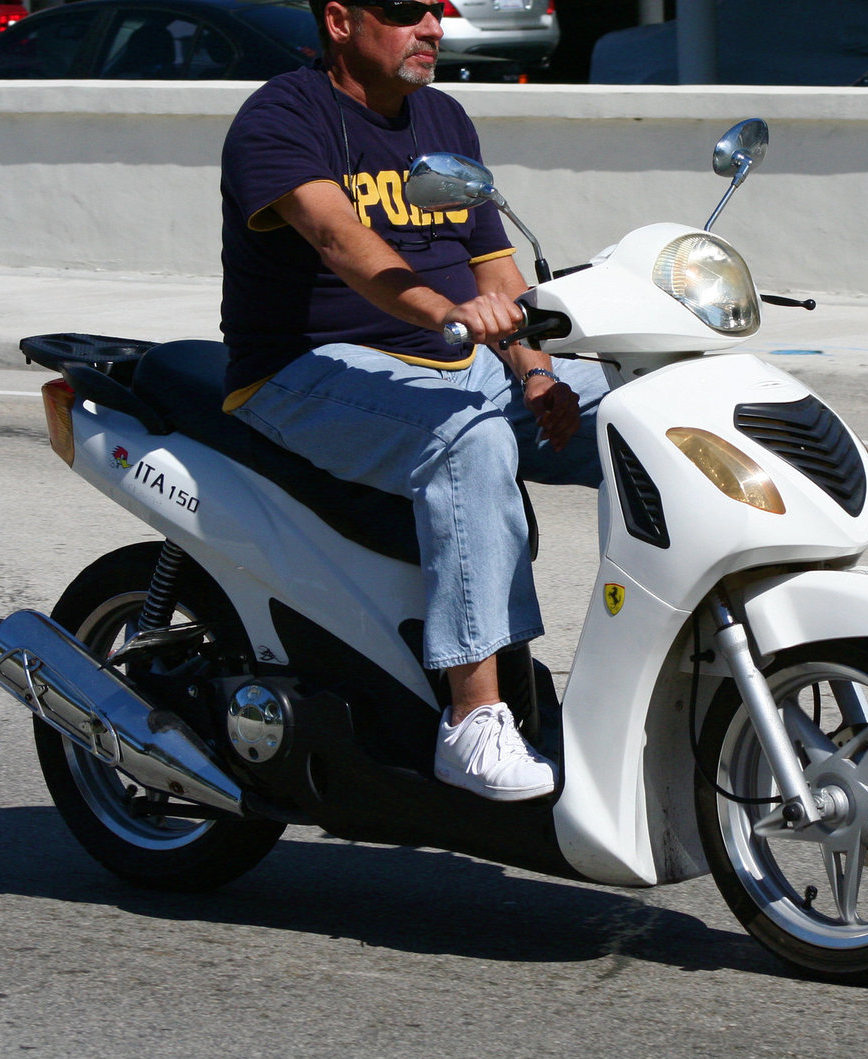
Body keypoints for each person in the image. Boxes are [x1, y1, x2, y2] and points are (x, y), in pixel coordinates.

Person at [219, 0, 607, 801]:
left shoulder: (442, 118)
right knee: (471, 438)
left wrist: (534, 368)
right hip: (305, 372)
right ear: (338, 21)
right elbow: (337, 238)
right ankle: (473, 721)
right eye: (404, 12)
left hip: (454, 365)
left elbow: (495, 267)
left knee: (646, 406)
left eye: (436, 10)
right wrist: (446, 313)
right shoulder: (283, 115)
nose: (430, 27)